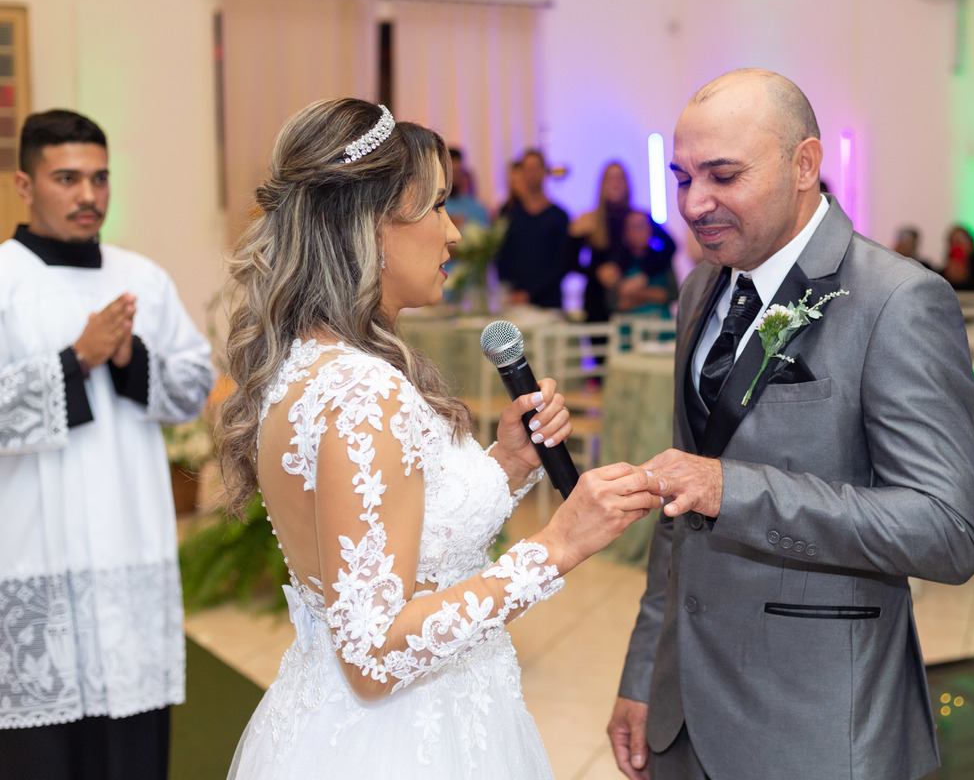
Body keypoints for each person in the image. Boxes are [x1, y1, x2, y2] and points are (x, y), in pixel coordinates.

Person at [218, 98, 660, 779]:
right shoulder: (361, 392)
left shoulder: (314, 363)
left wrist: (507, 463)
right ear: (370, 226)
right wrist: (556, 546)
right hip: (402, 745)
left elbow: (399, 532)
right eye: (437, 207)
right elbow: (374, 656)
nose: (454, 233)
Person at [607, 69, 974, 779]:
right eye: (682, 178)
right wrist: (644, 673)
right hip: (683, 708)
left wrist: (735, 491)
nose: (693, 203)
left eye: (723, 175)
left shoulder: (897, 300)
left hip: (816, 719)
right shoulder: (701, 286)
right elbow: (680, 507)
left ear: (805, 164)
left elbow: (947, 531)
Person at [0, 110, 215, 779]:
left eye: (100, 178)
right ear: (25, 185)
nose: (89, 195)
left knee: (132, 748)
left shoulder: (142, 278)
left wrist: (129, 358)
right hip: (33, 553)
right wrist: (76, 360)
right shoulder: (4, 281)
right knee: (42, 751)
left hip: (129, 547)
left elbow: (193, 386)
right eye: (67, 178)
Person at [570, 162, 676, 323]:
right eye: (610, 178)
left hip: (631, 300)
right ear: (602, 184)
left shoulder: (636, 218)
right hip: (598, 300)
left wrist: (643, 276)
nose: (615, 183)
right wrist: (597, 271)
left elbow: (670, 246)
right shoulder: (590, 220)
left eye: (620, 178)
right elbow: (569, 262)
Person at [494, 149, 571, 308]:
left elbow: (562, 263)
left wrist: (530, 293)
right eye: (527, 169)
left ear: (544, 171)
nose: (531, 174)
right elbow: (501, 255)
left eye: (535, 168)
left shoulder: (559, 216)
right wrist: (509, 289)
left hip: (549, 303)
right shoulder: (508, 213)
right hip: (514, 302)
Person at [596, 210, 678, 319]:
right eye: (634, 226)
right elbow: (615, 302)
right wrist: (654, 294)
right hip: (628, 324)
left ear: (651, 229)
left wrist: (635, 293)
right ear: (625, 231)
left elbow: (673, 294)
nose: (639, 231)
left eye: (643, 225)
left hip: (660, 323)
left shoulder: (662, 259)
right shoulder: (617, 263)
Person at [941, 223, 974, 295]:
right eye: (953, 242)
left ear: (971, 244)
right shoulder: (942, 275)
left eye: (961, 241)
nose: (957, 246)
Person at [443, 146, 489, 228]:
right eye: (450, 173)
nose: (453, 178)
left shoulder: (477, 208)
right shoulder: (434, 208)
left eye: (456, 172)